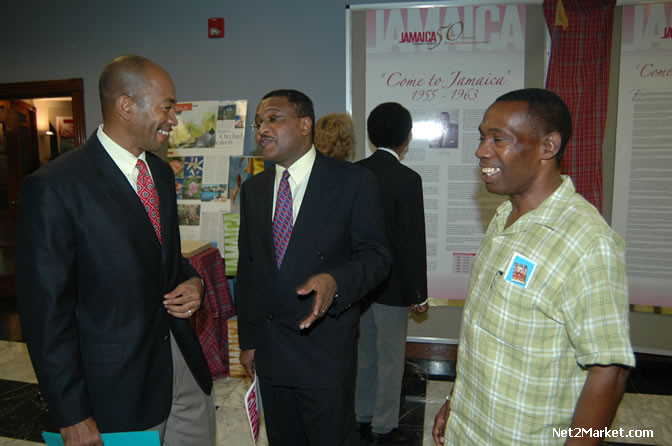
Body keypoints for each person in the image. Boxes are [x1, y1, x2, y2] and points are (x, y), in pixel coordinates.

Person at [15, 55, 215, 446]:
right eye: (167, 107)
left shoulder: (159, 173)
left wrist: (193, 284)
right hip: (117, 389)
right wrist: (71, 413)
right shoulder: (56, 186)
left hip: (181, 366)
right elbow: (46, 313)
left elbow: (165, 262)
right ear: (126, 106)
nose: (174, 119)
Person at [432, 88, 635, 445]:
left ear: (548, 146)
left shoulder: (586, 242)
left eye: (499, 138)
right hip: (469, 429)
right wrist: (456, 401)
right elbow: (487, 335)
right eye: (482, 137)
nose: (481, 150)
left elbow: (609, 372)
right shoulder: (503, 219)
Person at [236, 89, 391, 446]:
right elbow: (249, 270)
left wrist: (336, 281)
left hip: (323, 350)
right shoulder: (254, 190)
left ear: (305, 125)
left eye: (273, 118)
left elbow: (377, 258)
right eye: (258, 123)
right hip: (271, 352)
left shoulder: (352, 182)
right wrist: (248, 340)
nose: (262, 129)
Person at [355, 102, 428, 444]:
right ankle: (384, 425)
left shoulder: (353, 173)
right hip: (395, 286)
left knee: (363, 354)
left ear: (370, 136)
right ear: (407, 138)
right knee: (390, 357)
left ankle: (360, 414)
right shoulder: (408, 180)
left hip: (358, 285)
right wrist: (419, 293)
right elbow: (411, 240)